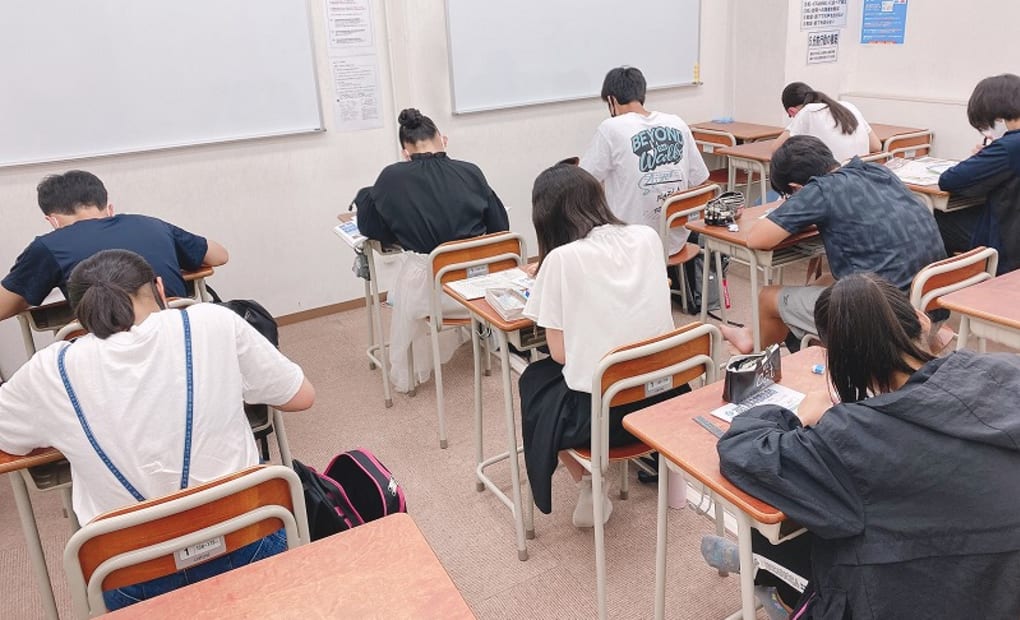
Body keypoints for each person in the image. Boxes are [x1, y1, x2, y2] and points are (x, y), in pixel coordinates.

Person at [0, 250, 315, 610]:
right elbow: (301, 396)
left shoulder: (50, 370)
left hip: (130, 572)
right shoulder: (212, 322)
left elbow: (8, 437)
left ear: (79, 313)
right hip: (249, 537)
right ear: (161, 289)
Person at [716, 273, 1020, 618]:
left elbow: (745, 452)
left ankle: (767, 576)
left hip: (933, 595)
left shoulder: (855, 435)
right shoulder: (1005, 370)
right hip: (1001, 590)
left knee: (780, 531)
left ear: (841, 363)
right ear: (920, 318)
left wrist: (799, 416)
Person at [518, 164, 685, 527]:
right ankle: (661, 476)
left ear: (546, 216)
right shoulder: (645, 236)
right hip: (666, 396)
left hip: (605, 419)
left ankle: (591, 479)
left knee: (534, 381)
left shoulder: (561, 259)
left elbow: (561, 355)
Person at [719, 135, 945, 354]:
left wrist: (794, 213)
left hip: (887, 317)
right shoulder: (875, 169)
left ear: (797, 188)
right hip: (928, 304)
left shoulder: (820, 189)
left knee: (768, 298)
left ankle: (756, 360)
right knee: (826, 280)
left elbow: (757, 238)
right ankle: (763, 337)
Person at [357, 108, 510, 392]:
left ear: (405, 151)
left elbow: (372, 229)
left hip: (427, 296)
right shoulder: (470, 171)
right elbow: (500, 226)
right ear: (443, 139)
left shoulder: (391, 178)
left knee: (408, 276)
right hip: (477, 292)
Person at [0, 170, 228, 321]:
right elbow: (219, 256)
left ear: (53, 221)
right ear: (109, 208)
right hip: (176, 333)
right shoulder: (150, 224)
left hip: (106, 349)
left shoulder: (48, 246)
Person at [580, 66, 709, 255]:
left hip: (632, 244)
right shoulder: (677, 123)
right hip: (675, 242)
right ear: (642, 94)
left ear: (611, 100)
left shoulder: (611, 128)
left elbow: (583, 181)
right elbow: (701, 181)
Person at [937, 73, 1020, 274]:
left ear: (997, 117)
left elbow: (949, 180)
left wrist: (983, 156)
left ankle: (943, 288)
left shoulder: (1009, 146)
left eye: (984, 126)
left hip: (1005, 243)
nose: (986, 133)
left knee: (932, 219)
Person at [772, 82, 881, 163]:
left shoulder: (808, 111)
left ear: (791, 111)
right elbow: (876, 146)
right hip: (861, 178)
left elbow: (776, 149)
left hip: (832, 182)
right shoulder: (848, 106)